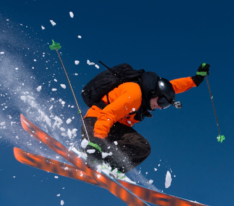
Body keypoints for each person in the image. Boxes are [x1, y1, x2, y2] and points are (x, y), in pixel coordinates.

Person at [81, 63, 211, 173]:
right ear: (154, 94)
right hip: (96, 123)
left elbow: (172, 87)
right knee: (103, 136)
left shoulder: (149, 93)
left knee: (142, 147)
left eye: (165, 106)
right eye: (161, 103)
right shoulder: (134, 95)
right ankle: (94, 151)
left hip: (114, 127)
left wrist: (195, 80)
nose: (160, 107)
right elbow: (108, 114)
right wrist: (97, 140)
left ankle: (111, 165)